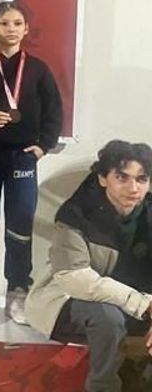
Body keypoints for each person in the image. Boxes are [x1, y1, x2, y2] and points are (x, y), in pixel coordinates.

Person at [0, 2, 64, 325]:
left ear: (26, 29)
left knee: (20, 226)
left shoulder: (38, 69)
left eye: (17, 23)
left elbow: (54, 111)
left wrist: (43, 146)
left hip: (22, 156)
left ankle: (17, 293)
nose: (11, 28)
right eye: (4, 23)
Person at [25, 140, 152, 392]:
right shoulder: (77, 213)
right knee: (107, 317)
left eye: (142, 179)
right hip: (69, 302)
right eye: (122, 178)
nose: (133, 188)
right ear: (103, 178)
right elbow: (74, 277)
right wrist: (143, 304)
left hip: (135, 305)